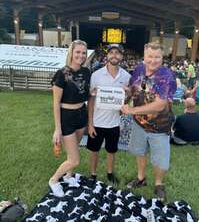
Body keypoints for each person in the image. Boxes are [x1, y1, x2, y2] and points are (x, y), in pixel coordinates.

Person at [121, 42, 176, 202]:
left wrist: (131, 110)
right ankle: (141, 177)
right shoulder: (138, 69)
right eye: (150, 57)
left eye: (157, 57)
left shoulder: (166, 76)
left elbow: (159, 105)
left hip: (160, 127)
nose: (153, 61)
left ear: (162, 57)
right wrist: (125, 96)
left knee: (160, 160)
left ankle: (159, 184)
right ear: (144, 57)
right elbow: (133, 88)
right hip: (139, 123)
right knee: (139, 151)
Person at [49, 40, 91, 197]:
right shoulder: (62, 74)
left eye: (83, 53)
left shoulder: (86, 72)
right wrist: (57, 129)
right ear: (71, 53)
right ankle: (54, 180)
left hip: (81, 114)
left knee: (73, 151)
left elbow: (84, 93)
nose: (81, 55)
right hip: (66, 117)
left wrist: (92, 91)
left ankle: (68, 176)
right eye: (78, 52)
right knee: (74, 159)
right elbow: (56, 103)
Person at [87, 44, 130, 186]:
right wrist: (90, 123)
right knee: (94, 150)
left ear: (122, 57)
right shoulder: (96, 75)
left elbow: (126, 101)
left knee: (112, 150)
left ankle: (110, 173)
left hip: (114, 123)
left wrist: (128, 95)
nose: (114, 55)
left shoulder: (126, 76)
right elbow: (91, 100)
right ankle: (93, 174)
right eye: (111, 52)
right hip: (97, 122)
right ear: (107, 55)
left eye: (117, 53)